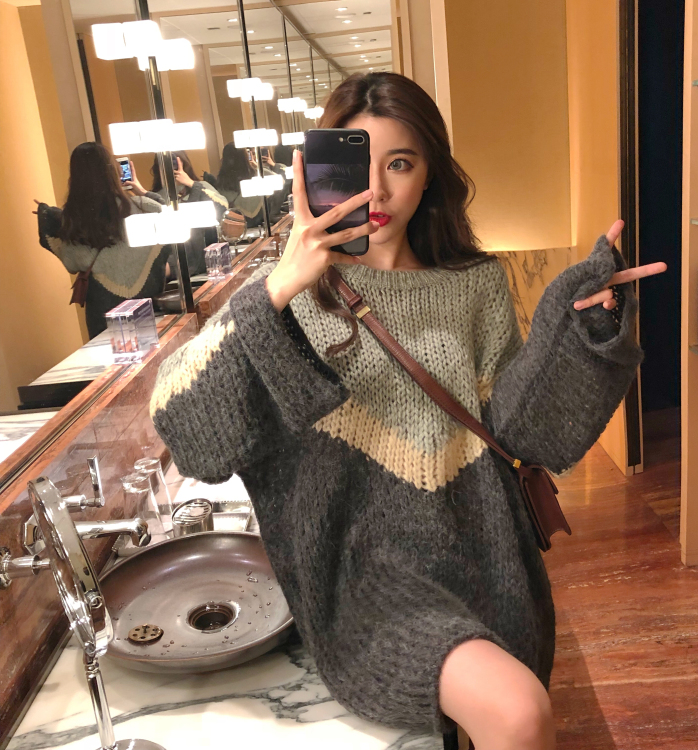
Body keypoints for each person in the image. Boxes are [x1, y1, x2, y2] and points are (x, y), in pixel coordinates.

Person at [150, 73, 666, 749]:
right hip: (366, 577)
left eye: (400, 163)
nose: (378, 191)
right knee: (518, 712)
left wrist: (581, 331)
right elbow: (189, 431)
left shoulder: (474, 284)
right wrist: (279, 284)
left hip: (485, 549)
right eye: (357, 166)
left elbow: (523, 433)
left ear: (430, 177)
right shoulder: (291, 291)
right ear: (316, 175)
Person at [35, 142, 170, 339]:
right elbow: (168, 217)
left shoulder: (74, 223)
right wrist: (141, 190)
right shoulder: (144, 208)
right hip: (149, 309)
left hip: (103, 317)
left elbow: (72, 262)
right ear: (112, 171)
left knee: (110, 359)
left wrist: (49, 216)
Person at [127, 151, 228, 276]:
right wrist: (142, 192)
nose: (171, 169)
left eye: (175, 163)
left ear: (184, 164)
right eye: (164, 166)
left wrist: (191, 183)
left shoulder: (201, 187)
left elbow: (223, 208)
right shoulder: (159, 195)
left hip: (197, 255)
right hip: (171, 255)